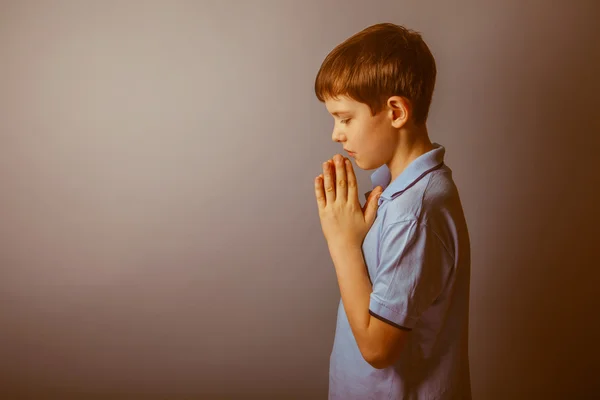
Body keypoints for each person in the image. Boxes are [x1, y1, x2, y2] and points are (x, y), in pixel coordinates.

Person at [313, 22, 472, 399]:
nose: (337, 133)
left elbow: (378, 348)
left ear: (396, 111)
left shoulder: (415, 213)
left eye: (345, 118)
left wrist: (342, 244)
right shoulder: (395, 185)